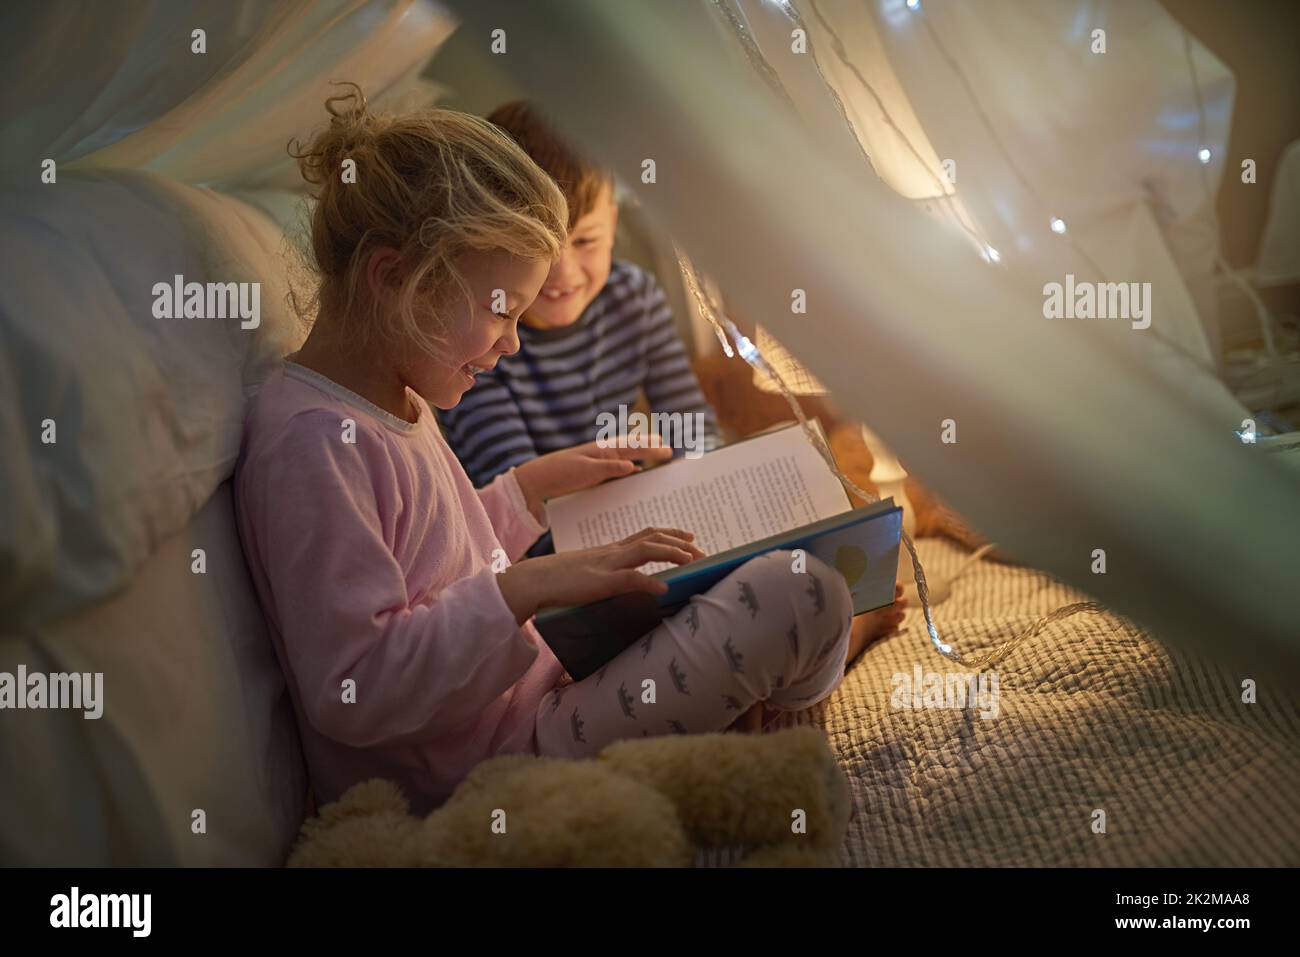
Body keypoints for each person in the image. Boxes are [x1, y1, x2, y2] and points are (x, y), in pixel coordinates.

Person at [234, 87, 870, 813]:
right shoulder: (314, 444)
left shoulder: (392, 393)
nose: (511, 341)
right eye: (501, 310)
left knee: (772, 575)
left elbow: (429, 563)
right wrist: (527, 589)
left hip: (532, 691)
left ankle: (741, 706)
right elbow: (356, 685)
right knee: (805, 594)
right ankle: (763, 721)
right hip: (480, 768)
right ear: (393, 277)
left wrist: (521, 492)